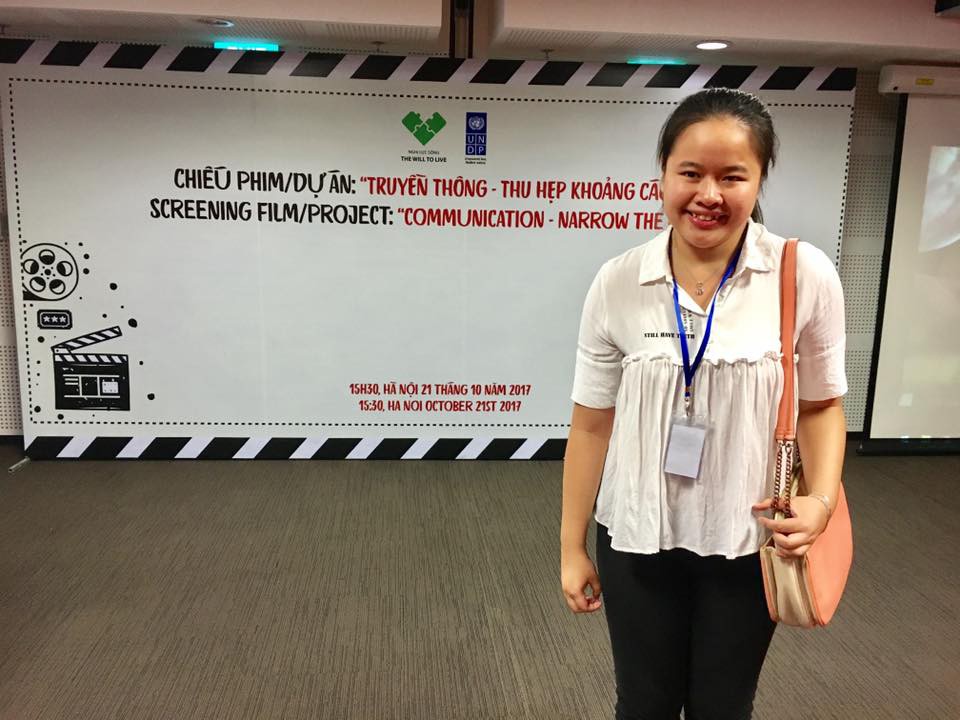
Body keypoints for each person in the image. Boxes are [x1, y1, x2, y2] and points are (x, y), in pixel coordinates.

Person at [559, 88, 848, 720]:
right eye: (690, 173)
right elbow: (591, 424)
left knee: (723, 705)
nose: (708, 194)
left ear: (760, 179)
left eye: (732, 176)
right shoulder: (619, 281)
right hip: (637, 533)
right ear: (662, 175)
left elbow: (822, 406)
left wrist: (821, 501)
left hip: (747, 537)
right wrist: (571, 545)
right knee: (644, 704)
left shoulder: (803, 274)